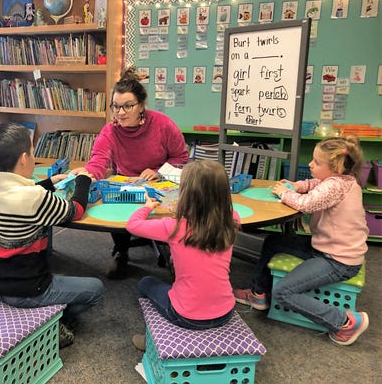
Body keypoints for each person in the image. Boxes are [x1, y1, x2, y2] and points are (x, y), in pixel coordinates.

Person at [233, 135, 369, 346]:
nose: (310, 164)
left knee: (283, 292)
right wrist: (298, 185)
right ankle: (259, 293)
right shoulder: (344, 180)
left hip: (338, 261)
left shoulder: (334, 186)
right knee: (274, 241)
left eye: (316, 162)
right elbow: (316, 184)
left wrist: (286, 193)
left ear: (335, 167)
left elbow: (305, 205)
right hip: (328, 249)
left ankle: (344, 322)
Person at [0, 122, 104, 348]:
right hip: (30, 288)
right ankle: (49, 324)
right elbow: (75, 210)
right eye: (31, 150)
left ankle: (38, 316)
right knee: (96, 289)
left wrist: (49, 183)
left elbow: (21, 197)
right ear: (23, 159)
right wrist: (84, 181)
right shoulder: (33, 198)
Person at [71, 67, 189, 278]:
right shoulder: (110, 130)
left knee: (172, 210)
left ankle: (174, 254)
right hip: (126, 185)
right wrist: (88, 173)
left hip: (160, 184)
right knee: (112, 206)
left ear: (141, 106)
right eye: (115, 106)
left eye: (127, 106)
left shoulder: (163, 125)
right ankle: (122, 252)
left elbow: (180, 158)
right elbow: (99, 159)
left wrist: (157, 171)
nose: (120, 112)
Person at [126, 160, 240, 350]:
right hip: (225, 312)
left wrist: (147, 206)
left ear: (186, 194)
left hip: (185, 315)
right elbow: (208, 216)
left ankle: (155, 342)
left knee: (146, 282)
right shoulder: (232, 219)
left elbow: (133, 225)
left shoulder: (174, 226)